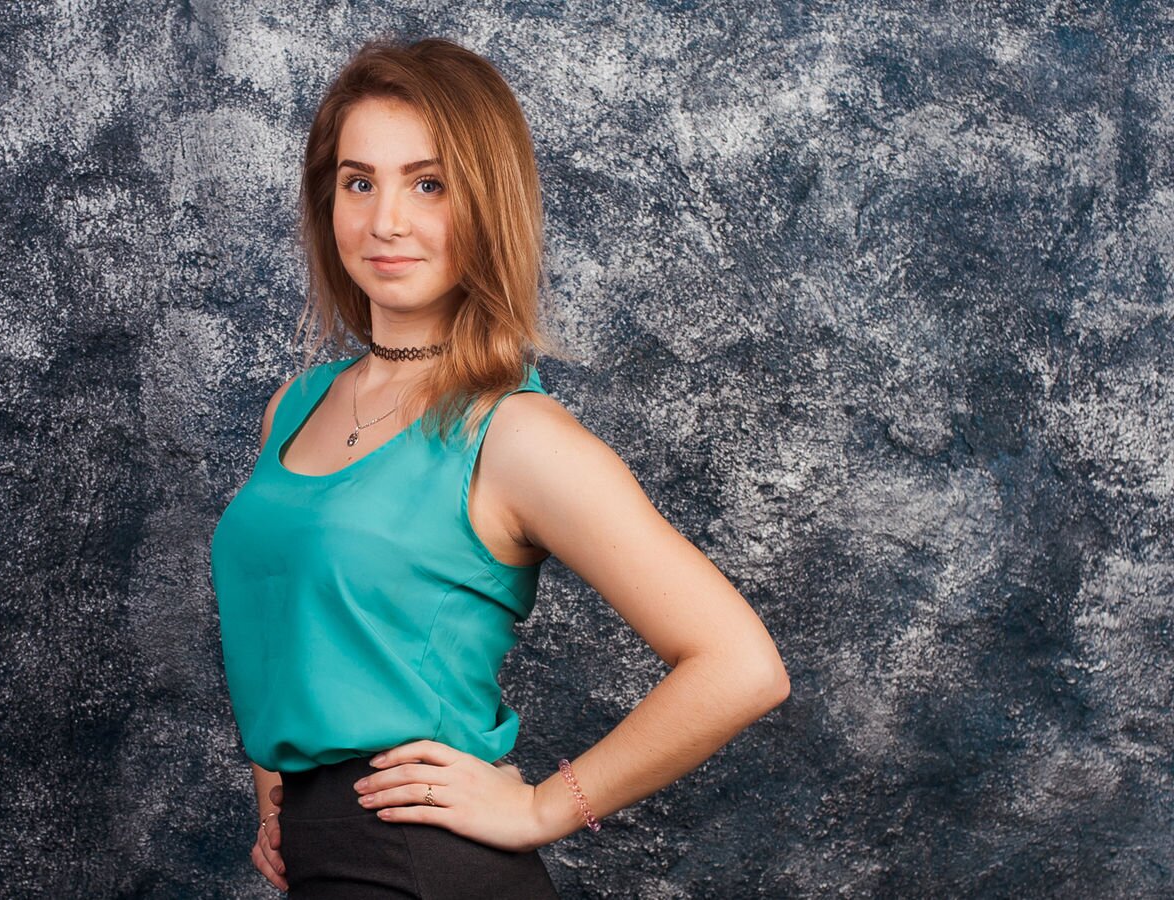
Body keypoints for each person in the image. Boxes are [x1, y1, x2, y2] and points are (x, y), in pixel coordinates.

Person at [209, 36, 790, 898]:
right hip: (326, 860)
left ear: (487, 203)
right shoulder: (295, 407)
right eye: (359, 182)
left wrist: (542, 809)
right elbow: (287, 621)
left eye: (429, 184)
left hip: (425, 869)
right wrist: (279, 803)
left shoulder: (515, 434)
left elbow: (741, 665)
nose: (386, 220)